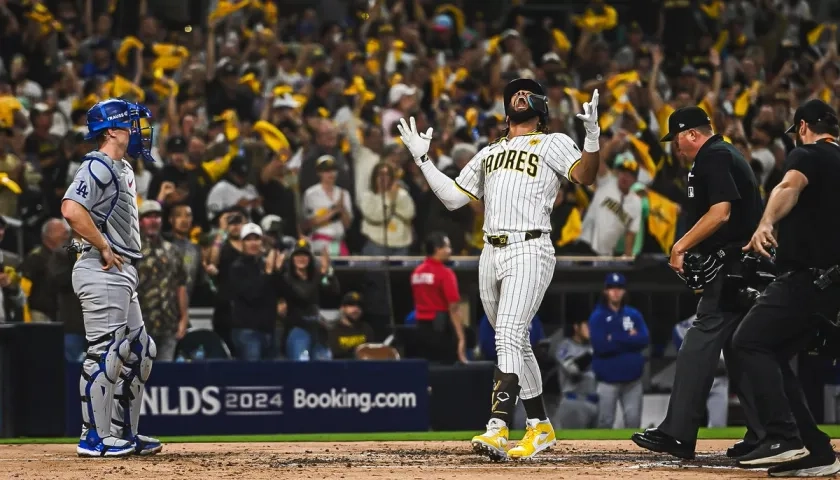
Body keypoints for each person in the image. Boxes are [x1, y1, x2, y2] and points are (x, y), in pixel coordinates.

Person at [398, 79, 602, 460]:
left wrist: (591, 137)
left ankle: (498, 427)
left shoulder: (552, 141)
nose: (520, 95)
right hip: (489, 252)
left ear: (540, 107)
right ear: (506, 109)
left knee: (507, 334)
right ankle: (540, 426)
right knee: (516, 341)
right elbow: (454, 198)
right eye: (514, 92)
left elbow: (585, 176)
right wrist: (422, 159)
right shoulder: (490, 150)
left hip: (530, 245)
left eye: (527, 92)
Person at [632, 106, 764, 460]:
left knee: (698, 342)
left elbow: (721, 212)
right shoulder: (725, 154)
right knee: (741, 348)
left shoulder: (714, 156)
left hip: (733, 269)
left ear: (692, 134)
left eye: (677, 139)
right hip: (743, 268)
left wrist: (681, 244)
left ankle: (677, 433)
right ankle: (766, 432)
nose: (676, 147)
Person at [733, 99, 840, 476]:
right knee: (773, 353)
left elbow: (788, 186)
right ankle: (817, 450)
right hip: (832, 287)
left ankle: (783, 437)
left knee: (747, 342)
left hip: (807, 279)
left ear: (804, 127)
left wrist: (766, 222)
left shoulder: (809, 155)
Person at [61, 99, 161, 457]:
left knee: (139, 351)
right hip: (100, 268)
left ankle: (124, 433)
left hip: (119, 271)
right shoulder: (99, 165)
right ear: (114, 129)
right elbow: (71, 210)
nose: (139, 131)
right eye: (133, 124)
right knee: (105, 353)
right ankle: (93, 437)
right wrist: (103, 245)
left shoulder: (121, 168)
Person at [589, 273, 649, 429]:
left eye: (619, 288)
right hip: (607, 380)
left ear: (624, 291)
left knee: (634, 422)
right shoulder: (597, 316)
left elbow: (644, 339)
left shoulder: (633, 314)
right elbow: (600, 346)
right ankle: (601, 455)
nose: (615, 292)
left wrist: (614, 338)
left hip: (633, 380)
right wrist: (629, 339)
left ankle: (633, 454)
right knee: (605, 423)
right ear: (605, 291)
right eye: (611, 288)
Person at [135, 200, 188, 362]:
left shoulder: (173, 251)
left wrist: (184, 318)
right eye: (148, 217)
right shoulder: (130, 252)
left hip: (168, 325)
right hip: (139, 327)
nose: (153, 221)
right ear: (140, 221)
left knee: (167, 377)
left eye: (157, 217)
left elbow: (181, 286)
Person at [407, 232, 466, 364]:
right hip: (440, 328)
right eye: (447, 247)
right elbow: (454, 308)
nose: (450, 251)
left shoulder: (416, 272)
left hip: (420, 327)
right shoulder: (445, 273)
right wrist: (461, 339)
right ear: (437, 249)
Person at [229, 223, 284, 361]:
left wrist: (277, 271)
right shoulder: (237, 267)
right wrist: (269, 272)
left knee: (273, 380)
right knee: (252, 379)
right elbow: (252, 294)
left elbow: (279, 292)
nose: (253, 243)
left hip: (270, 331)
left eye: (256, 239)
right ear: (242, 243)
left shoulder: (264, 265)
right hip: (247, 332)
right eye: (249, 239)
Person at [554, 318, 598, 429]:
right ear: (576, 327)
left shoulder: (592, 346)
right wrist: (592, 352)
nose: (590, 329)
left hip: (595, 402)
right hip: (573, 403)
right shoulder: (565, 346)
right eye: (587, 326)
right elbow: (573, 369)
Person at [327, 291, 375, 359]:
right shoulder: (333, 330)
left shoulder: (366, 328)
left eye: (359, 306)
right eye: (351, 305)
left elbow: (372, 354)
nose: (356, 309)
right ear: (342, 308)